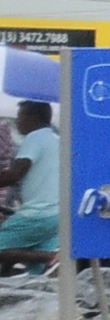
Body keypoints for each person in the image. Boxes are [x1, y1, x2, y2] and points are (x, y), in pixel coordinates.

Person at [0, 101, 60, 269]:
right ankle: (48, 259)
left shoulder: (35, 137)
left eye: (20, 117)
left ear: (33, 118)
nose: (17, 122)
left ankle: (52, 257)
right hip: (57, 215)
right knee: (34, 272)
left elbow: (15, 175)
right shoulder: (57, 140)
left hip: (38, 213)